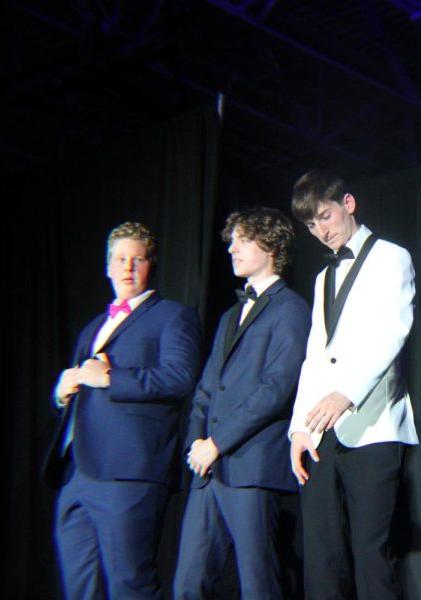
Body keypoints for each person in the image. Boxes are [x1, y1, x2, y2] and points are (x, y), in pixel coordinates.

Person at [42, 221, 201, 599]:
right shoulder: (93, 327)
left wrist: (112, 379)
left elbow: (180, 378)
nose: (127, 267)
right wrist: (62, 394)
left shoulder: (173, 316)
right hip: (76, 473)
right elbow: (85, 391)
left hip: (129, 473)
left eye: (137, 259)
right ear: (108, 266)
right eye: (120, 259)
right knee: (79, 589)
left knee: (131, 586)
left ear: (151, 265)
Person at [288, 169, 418, 600]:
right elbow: (315, 355)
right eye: (311, 225)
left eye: (325, 216)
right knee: (322, 557)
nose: (321, 231)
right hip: (323, 432)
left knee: (372, 556)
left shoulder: (391, 257)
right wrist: (299, 429)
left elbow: (392, 332)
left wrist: (347, 393)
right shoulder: (323, 277)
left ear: (348, 203)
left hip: (374, 426)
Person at [173, 207, 310, 599]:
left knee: (258, 586)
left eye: (243, 239)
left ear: (270, 246)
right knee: (187, 584)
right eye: (231, 240)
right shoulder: (230, 315)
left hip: (251, 467)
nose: (232, 248)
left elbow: (275, 389)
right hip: (208, 471)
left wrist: (216, 443)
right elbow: (205, 389)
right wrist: (196, 443)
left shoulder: (291, 310)